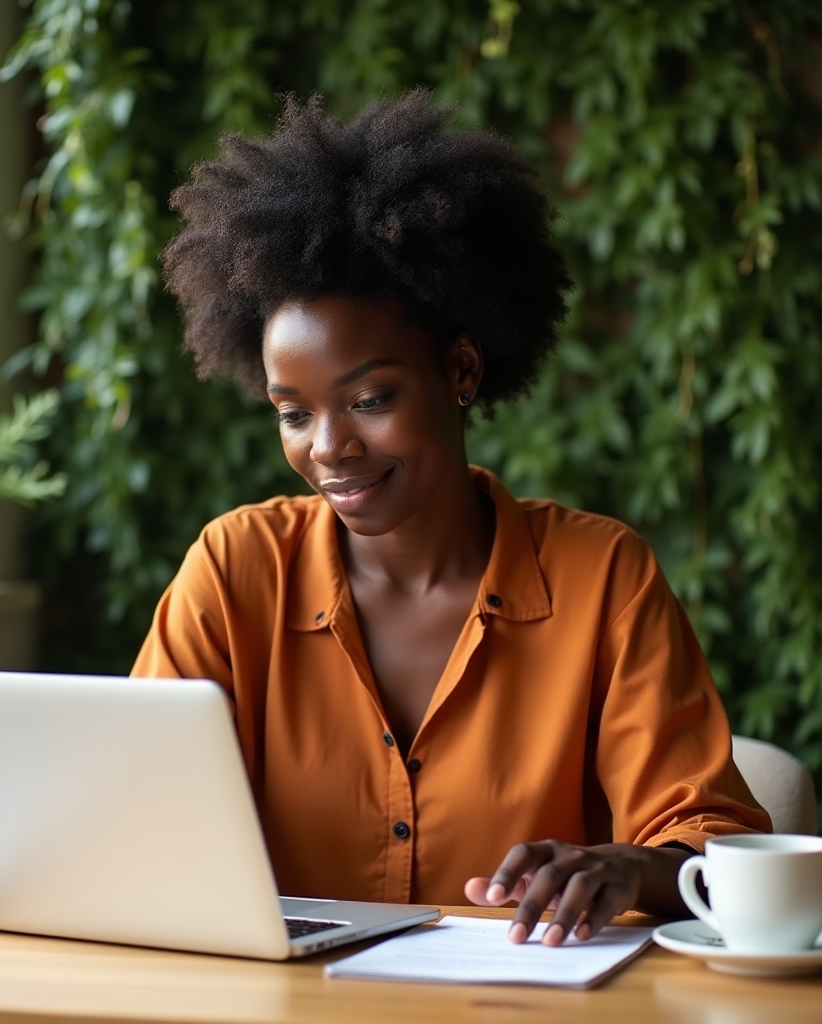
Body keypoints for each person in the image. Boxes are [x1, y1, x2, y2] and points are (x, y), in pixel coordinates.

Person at [132, 90, 770, 946]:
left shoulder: (602, 578)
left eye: (370, 399)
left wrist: (631, 867)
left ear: (461, 371)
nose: (330, 447)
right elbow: (130, 813)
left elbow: (718, 844)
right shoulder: (234, 569)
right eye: (294, 413)